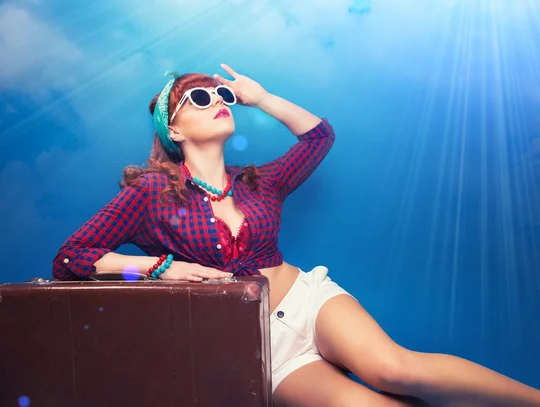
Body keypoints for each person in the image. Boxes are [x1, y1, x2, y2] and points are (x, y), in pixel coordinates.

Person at [53, 64, 540, 407]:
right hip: (257, 343)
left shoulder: (260, 180)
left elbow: (318, 137)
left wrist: (260, 98)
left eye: (220, 95)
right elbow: (73, 258)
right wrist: (160, 268)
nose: (217, 103)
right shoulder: (153, 193)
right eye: (198, 99)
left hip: (308, 301)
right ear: (174, 131)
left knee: (396, 371)